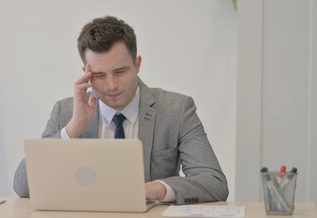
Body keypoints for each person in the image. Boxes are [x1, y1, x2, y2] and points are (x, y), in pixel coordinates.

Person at [13, 16, 228, 204]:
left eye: (120, 71)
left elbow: (214, 182)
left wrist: (156, 189)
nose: (111, 85)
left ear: (137, 64)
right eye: (99, 75)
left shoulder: (176, 109)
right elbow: (22, 187)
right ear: (86, 74)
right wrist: (72, 129)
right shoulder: (65, 111)